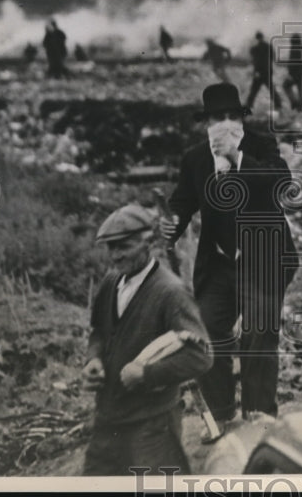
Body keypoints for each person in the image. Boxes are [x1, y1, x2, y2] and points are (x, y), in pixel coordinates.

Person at [163, 83, 299, 436]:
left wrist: (238, 158)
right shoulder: (195, 158)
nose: (226, 124)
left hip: (263, 257)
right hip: (220, 261)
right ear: (206, 122)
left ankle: (259, 414)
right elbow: (183, 200)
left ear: (241, 118)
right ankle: (222, 413)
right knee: (206, 332)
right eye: (217, 117)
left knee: (259, 332)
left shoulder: (260, 145)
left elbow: (279, 182)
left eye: (232, 116)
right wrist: (172, 223)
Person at [82, 203, 213, 476]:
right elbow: (99, 331)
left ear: (148, 243)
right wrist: (93, 358)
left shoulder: (171, 292)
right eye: (110, 247)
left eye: (124, 246)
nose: (115, 255)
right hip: (108, 420)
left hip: (152, 425)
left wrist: (147, 374)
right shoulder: (110, 282)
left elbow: (200, 355)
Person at [245, 31, 281, 111]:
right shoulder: (268, 46)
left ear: (256, 38)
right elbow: (273, 57)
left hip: (258, 72)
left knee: (254, 90)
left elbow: (253, 60)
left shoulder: (254, 49)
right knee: (271, 89)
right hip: (267, 71)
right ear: (262, 37)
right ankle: (278, 105)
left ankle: (248, 106)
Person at [281, 33, 302, 112]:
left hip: (295, 75)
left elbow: (291, 63)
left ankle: (294, 103)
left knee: (285, 85)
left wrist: (290, 73)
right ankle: (300, 107)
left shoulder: (294, 49)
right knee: (300, 91)